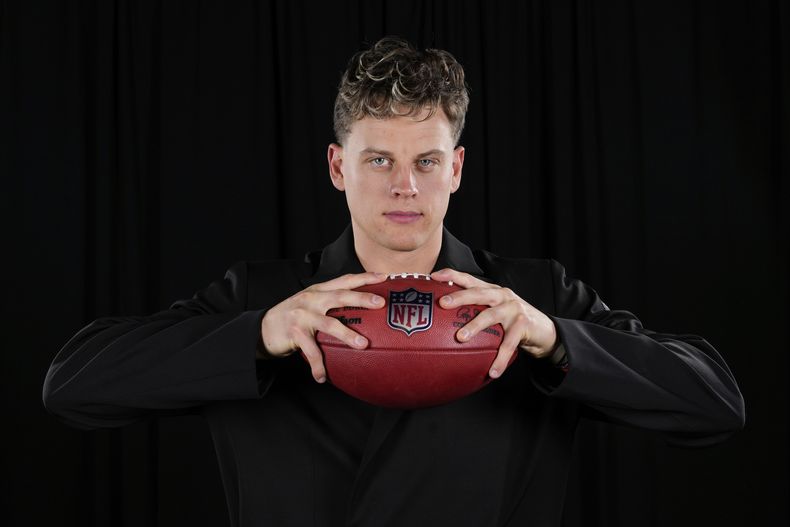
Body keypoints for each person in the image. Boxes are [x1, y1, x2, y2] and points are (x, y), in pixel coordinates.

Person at [43, 36, 745, 527]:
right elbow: (73, 384)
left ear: (459, 168)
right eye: (378, 160)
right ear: (337, 167)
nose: (405, 187)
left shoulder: (532, 296)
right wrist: (255, 335)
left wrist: (559, 340)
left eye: (427, 162)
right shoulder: (262, 297)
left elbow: (714, 402)